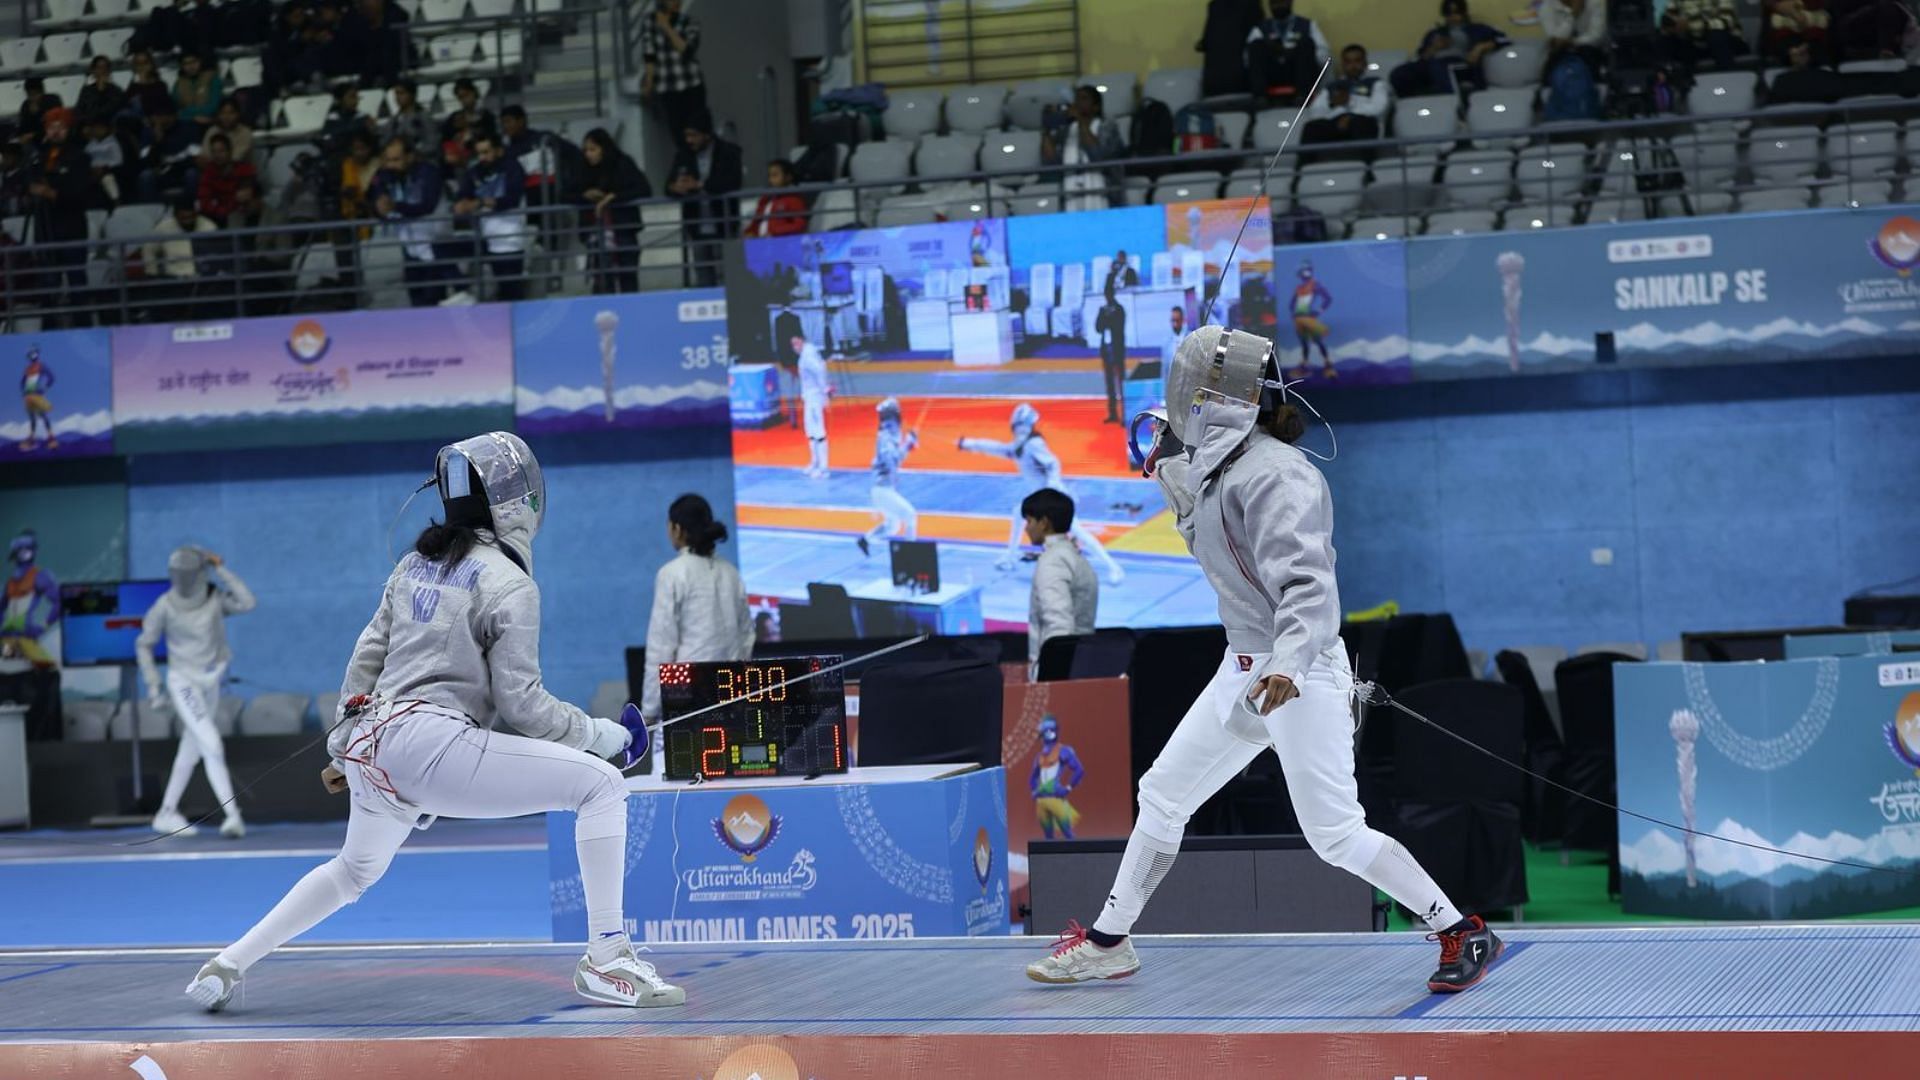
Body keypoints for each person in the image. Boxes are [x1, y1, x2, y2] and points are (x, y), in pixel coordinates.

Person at [1026, 326, 1502, 993]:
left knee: (1335, 835)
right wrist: (1165, 455)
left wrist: (1288, 664)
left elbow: (1308, 586)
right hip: (1242, 671)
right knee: (1162, 796)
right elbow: (1201, 514)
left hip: (1295, 675)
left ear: (1216, 395)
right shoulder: (1217, 465)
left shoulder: (1280, 475)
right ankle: (1110, 941)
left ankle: (1460, 929)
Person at [184, 433, 684, 1013]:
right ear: (518, 502)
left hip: (374, 746)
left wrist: (344, 746)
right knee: (601, 784)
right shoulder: (509, 583)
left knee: (353, 872)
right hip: (432, 744)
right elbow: (522, 705)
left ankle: (228, 964)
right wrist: (607, 737)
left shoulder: (414, 564)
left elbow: (365, 661)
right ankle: (606, 958)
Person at [136, 547, 255, 839]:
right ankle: (232, 815)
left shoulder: (214, 600)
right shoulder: (164, 606)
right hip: (183, 683)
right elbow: (144, 645)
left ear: (200, 573)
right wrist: (154, 686)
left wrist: (221, 568)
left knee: (191, 750)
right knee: (211, 743)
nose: (184, 579)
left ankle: (166, 813)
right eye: (180, 574)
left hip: (210, 681)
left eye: (189, 573)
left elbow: (247, 602)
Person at [959, 403, 1125, 585]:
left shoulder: (1034, 444)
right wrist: (969, 444)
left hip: (1054, 498)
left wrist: (1050, 490)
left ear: (1027, 426)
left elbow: (1053, 465)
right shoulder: (1020, 446)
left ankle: (1114, 568)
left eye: (1022, 426)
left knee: (1078, 532)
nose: (1019, 430)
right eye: (1017, 426)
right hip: (1040, 497)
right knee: (1018, 513)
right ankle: (1010, 558)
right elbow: (998, 448)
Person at [641, 494, 754, 726]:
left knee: (674, 763)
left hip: (686, 698)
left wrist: (649, 709)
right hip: (730, 695)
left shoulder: (672, 574)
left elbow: (661, 646)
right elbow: (746, 638)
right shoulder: (731, 573)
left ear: (677, 529)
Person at [26, 109, 94, 321]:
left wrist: (50, 192)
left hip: (71, 228)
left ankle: (83, 335)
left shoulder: (80, 156)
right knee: (47, 286)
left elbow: (80, 195)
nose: (55, 132)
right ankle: (48, 336)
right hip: (45, 229)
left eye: (60, 127)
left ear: (68, 129)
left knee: (77, 284)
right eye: (51, 127)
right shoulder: (38, 157)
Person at [1023, 487, 1098, 678]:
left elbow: (1059, 627)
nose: (1026, 528)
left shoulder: (1053, 561)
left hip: (1061, 676)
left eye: (1029, 521)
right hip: (1080, 667)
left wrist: (1050, 682)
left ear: (1044, 523)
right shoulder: (1075, 557)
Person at [368, 137, 453, 307]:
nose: (391, 165)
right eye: (388, 160)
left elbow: (426, 206)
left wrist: (395, 206)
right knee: (416, 299)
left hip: (434, 248)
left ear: (410, 156)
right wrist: (379, 205)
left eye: (396, 160)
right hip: (410, 249)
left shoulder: (429, 172)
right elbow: (373, 196)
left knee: (433, 301)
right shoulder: (384, 174)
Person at [666, 109, 742, 288]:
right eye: (687, 135)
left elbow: (733, 182)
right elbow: (668, 185)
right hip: (696, 225)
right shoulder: (683, 155)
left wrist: (700, 185)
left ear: (706, 134)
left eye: (694, 135)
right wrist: (676, 187)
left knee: (727, 274)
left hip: (723, 223)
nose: (689, 140)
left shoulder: (729, 152)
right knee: (703, 275)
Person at [0, 530, 63, 742]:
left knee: (47, 673)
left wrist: (43, 625)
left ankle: (42, 736)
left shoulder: (40, 576)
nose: (24, 553)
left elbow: (58, 601)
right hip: (7, 641)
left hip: (27, 639)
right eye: (20, 550)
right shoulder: (10, 583)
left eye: (28, 549)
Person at [452, 130, 528, 302]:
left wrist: (480, 202)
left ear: (498, 150)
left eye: (486, 152)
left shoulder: (513, 168)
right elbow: (461, 196)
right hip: (488, 240)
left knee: (513, 292)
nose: (482, 157)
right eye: (479, 153)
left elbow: (512, 199)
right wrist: (461, 204)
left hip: (512, 240)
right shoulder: (474, 172)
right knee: (501, 290)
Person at [578, 128, 649, 294]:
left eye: (593, 149)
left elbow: (644, 189)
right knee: (602, 284)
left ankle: (631, 316)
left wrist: (612, 198)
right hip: (596, 234)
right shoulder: (583, 167)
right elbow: (565, 193)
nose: (588, 154)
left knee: (628, 280)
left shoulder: (623, 163)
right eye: (586, 150)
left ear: (605, 148)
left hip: (623, 231)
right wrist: (585, 194)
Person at [1391, 0, 1509, 97]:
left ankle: (1452, 105)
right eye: (1449, 14)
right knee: (1400, 73)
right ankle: (1410, 105)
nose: (1453, 17)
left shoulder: (1477, 29)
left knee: (1439, 66)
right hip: (1431, 65)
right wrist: (1434, 48)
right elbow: (1421, 57)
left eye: (1456, 13)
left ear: (1464, 13)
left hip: (1460, 66)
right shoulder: (1435, 32)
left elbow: (1504, 40)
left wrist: (1480, 47)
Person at [1042, 85, 1126, 213]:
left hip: (1104, 199)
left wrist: (1080, 120)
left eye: (1084, 99)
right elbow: (1051, 161)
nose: (1077, 103)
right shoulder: (1067, 130)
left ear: (1096, 106)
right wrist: (1047, 129)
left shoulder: (1108, 127)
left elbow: (1097, 157)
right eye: (1076, 99)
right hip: (1071, 199)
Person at [641, 0, 708, 149]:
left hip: (691, 86)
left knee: (699, 133)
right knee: (680, 138)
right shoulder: (650, 22)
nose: (677, 2)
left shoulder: (690, 22)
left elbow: (686, 50)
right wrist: (649, 81)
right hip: (668, 89)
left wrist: (666, 27)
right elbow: (649, 53)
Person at [857, 397, 919, 556]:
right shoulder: (885, 437)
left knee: (892, 526)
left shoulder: (890, 435)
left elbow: (897, 459)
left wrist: (908, 445)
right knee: (910, 515)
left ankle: (866, 539)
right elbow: (892, 459)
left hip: (884, 489)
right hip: (882, 490)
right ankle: (910, 555)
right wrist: (908, 444)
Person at [1302, 44, 1390, 147]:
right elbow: (1315, 112)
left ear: (1365, 63)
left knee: (1362, 124)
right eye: (1348, 62)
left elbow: (1379, 108)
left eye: (1357, 61)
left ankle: (1367, 162)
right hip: (1334, 124)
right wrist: (1333, 105)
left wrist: (1350, 115)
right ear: (1343, 65)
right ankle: (1305, 163)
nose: (1353, 66)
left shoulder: (1376, 83)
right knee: (1311, 128)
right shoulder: (1331, 87)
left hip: (1362, 123)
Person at [1245, 0, 1330, 100]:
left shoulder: (1308, 25)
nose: (1278, 6)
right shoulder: (1260, 28)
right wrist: (1271, 50)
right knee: (1256, 45)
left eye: (1282, 2)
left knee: (1306, 43)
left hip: (1298, 73)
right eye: (1275, 3)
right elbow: (1248, 59)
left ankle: (1303, 95)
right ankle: (1260, 97)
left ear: (1290, 2)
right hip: (1272, 73)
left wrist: (1294, 51)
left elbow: (1324, 56)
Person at [1540, 0, 1609, 109]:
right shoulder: (1547, 7)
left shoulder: (1594, 3)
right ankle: (1549, 108)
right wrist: (1572, 15)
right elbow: (1555, 39)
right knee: (1552, 64)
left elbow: (1597, 36)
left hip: (1590, 51)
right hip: (1560, 53)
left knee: (1591, 57)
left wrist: (1573, 42)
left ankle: (1596, 106)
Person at [1029, 716, 1086, 839]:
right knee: (1048, 836)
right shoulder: (1040, 756)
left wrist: (1068, 787)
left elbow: (1079, 770)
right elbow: (1033, 777)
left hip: (1056, 799)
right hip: (1042, 801)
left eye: (1048, 732)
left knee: (1067, 832)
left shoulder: (1063, 751)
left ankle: (1077, 856)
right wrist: (1035, 790)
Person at [1658, 0, 1746, 72]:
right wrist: (1673, 26)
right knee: (1665, 38)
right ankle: (1680, 85)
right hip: (1695, 40)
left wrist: (1691, 25)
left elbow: (1726, 21)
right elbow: (1669, 17)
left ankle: (1727, 82)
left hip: (1726, 40)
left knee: (1716, 35)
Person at [1286, 259, 1336, 379]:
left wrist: (1318, 311)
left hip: (1308, 318)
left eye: (1306, 270)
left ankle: (1328, 365)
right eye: (1303, 271)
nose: (1305, 273)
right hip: (1298, 319)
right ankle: (1304, 366)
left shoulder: (1315, 285)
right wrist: (1294, 312)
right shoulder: (1299, 288)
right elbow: (1292, 303)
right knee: (1304, 343)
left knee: (1317, 340)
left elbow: (1328, 299)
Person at [195, 133, 256, 226]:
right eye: (214, 152)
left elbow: (247, 196)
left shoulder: (244, 169)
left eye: (221, 151)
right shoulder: (208, 173)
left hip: (243, 211)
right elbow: (205, 202)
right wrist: (225, 209)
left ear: (230, 151)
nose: (217, 155)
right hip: (221, 214)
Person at [795, 331, 831, 479]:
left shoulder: (809, 355)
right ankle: (815, 462)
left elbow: (820, 370)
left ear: (802, 340)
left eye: (796, 343)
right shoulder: (805, 354)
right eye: (793, 344)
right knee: (810, 430)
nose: (795, 347)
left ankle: (824, 468)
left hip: (815, 397)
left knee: (819, 431)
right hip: (809, 397)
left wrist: (824, 392)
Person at [744, 159, 807, 238]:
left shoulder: (794, 200)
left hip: (780, 243)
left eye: (775, 175)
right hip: (759, 242)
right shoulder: (765, 199)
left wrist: (774, 232)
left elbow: (799, 225)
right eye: (770, 176)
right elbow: (755, 223)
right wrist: (749, 232)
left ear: (788, 177)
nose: (771, 180)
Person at [15, 349, 56, 452]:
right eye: (30, 355)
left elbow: (51, 377)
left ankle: (51, 439)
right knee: (32, 417)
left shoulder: (42, 366)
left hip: (36, 394)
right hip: (28, 396)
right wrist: (24, 392)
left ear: (37, 356)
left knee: (42, 415)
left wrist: (44, 388)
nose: (32, 357)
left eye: (34, 355)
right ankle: (32, 439)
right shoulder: (28, 369)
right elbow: (23, 381)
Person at [173, 52, 223, 132]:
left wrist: (188, 112)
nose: (191, 66)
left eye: (193, 62)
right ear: (181, 66)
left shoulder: (212, 78)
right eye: (186, 64)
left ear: (200, 62)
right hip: (186, 124)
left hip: (210, 123)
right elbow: (175, 111)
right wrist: (193, 118)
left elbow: (214, 107)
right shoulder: (179, 83)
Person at [382, 80, 436, 153]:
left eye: (401, 93)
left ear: (412, 94)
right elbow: (384, 142)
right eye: (396, 94)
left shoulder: (424, 117)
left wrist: (416, 154)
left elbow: (432, 144)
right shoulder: (394, 120)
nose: (397, 97)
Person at [76, 57, 129, 129]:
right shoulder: (86, 90)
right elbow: (79, 111)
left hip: (109, 125)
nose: (102, 71)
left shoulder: (116, 90)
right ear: (93, 70)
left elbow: (108, 110)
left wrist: (101, 90)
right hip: (89, 125)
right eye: (99, 68)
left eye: (105, 67)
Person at [202, 99, 255, 168]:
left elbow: (237, 158)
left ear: (238, 114)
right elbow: (205, 156)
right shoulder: (212, 131)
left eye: (231, 113)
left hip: (239, 172)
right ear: (218, 115)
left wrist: (216, 159)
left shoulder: (245, 132)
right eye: (223, 113)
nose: (226, 117)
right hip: (214, 170)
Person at [14, 79, 64, 148]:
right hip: (32, 141)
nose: (32, 98)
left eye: (35, 94)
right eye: (29, 94)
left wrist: (38, 113)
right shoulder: (26, 105)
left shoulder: (52, 102)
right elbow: (23, 125)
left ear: (42, 92)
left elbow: (54, 126)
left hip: (49, 139)